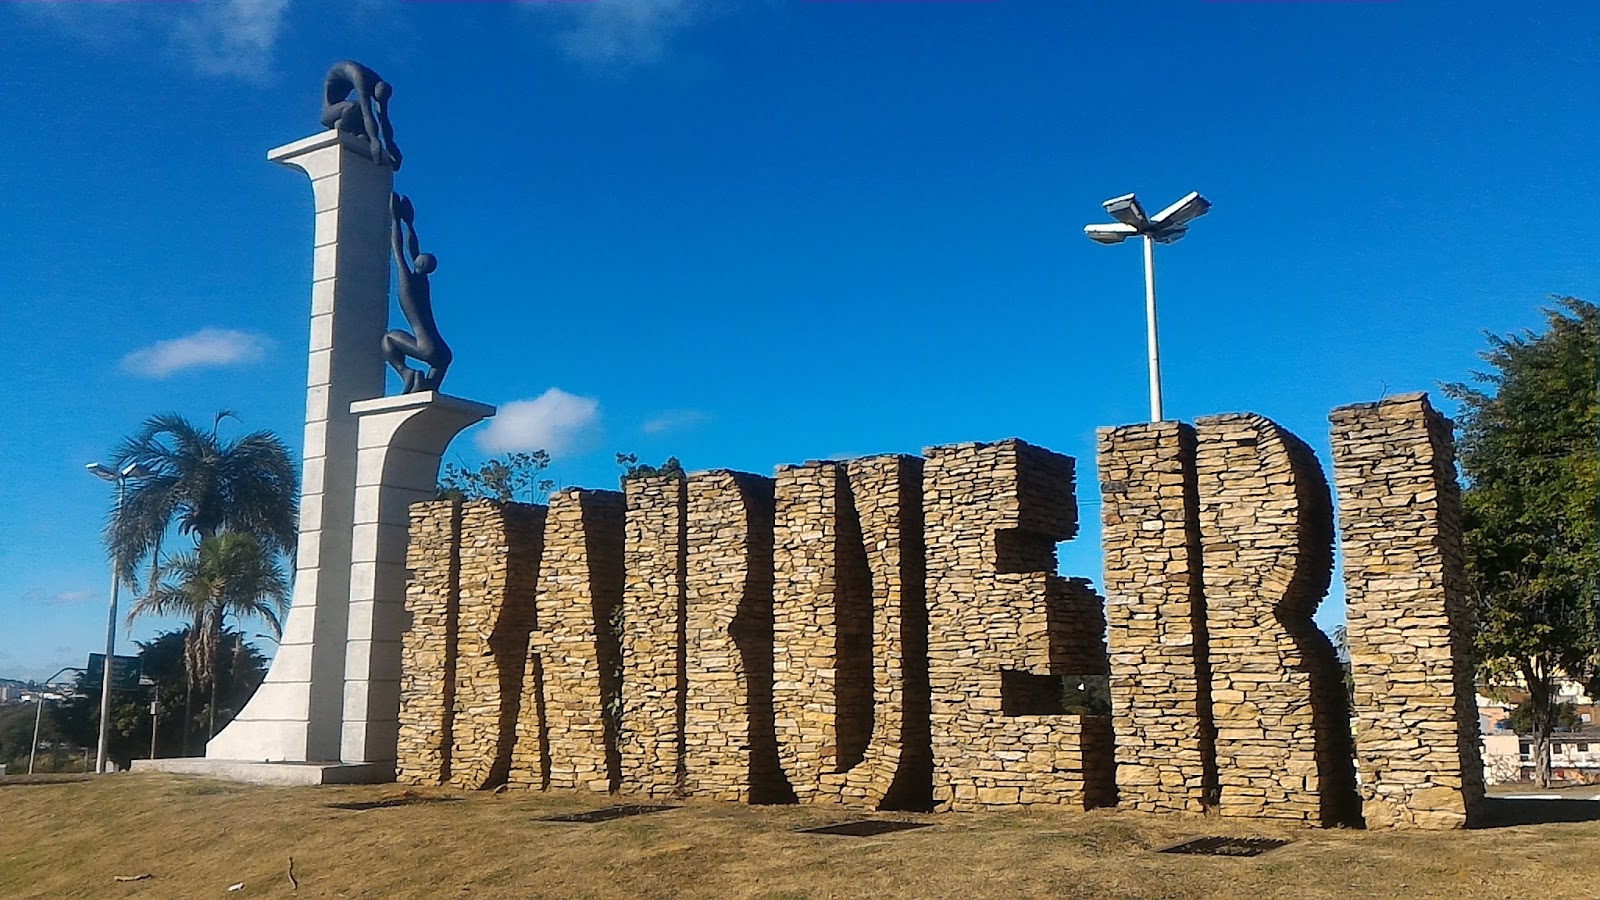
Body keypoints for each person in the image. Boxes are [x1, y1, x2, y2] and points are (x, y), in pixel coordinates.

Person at [383, 193, 451, 392]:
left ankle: (406, 372)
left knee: (387, 339)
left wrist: (395, 221)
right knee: (428, 392)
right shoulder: (423, 283)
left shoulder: (408, 285)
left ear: (418, 263)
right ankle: (423, 385)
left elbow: (399, 250)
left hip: (426, 346)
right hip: (443, 352)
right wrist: (409, 223)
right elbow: (413, 249)